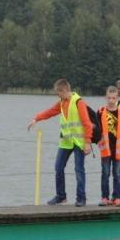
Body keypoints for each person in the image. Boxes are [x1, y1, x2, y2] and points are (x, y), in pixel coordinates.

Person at [27, 78, 93, 207]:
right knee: (58, 167)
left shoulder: (78, 102)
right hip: (66, 142)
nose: (57, 95)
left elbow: (87, 123)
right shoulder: (62, 102)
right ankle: (61, 196)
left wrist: (87, 142)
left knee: (79, 169)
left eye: (58, 93)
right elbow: (50, 112)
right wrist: (36, 119)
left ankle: (81, 198)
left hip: (79, 142)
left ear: (64, 90)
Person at [96, 86, 120, 206]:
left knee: (118, 174)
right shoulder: (100, 111)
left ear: (117, 98)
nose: (111, 100)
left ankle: (117, 198)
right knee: (105, 173)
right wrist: (97, 141)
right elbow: (96, 129)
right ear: (106, 97)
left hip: (118, 150)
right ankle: (104, 197)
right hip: (105, 149)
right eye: (109, 98)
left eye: (113, 98)